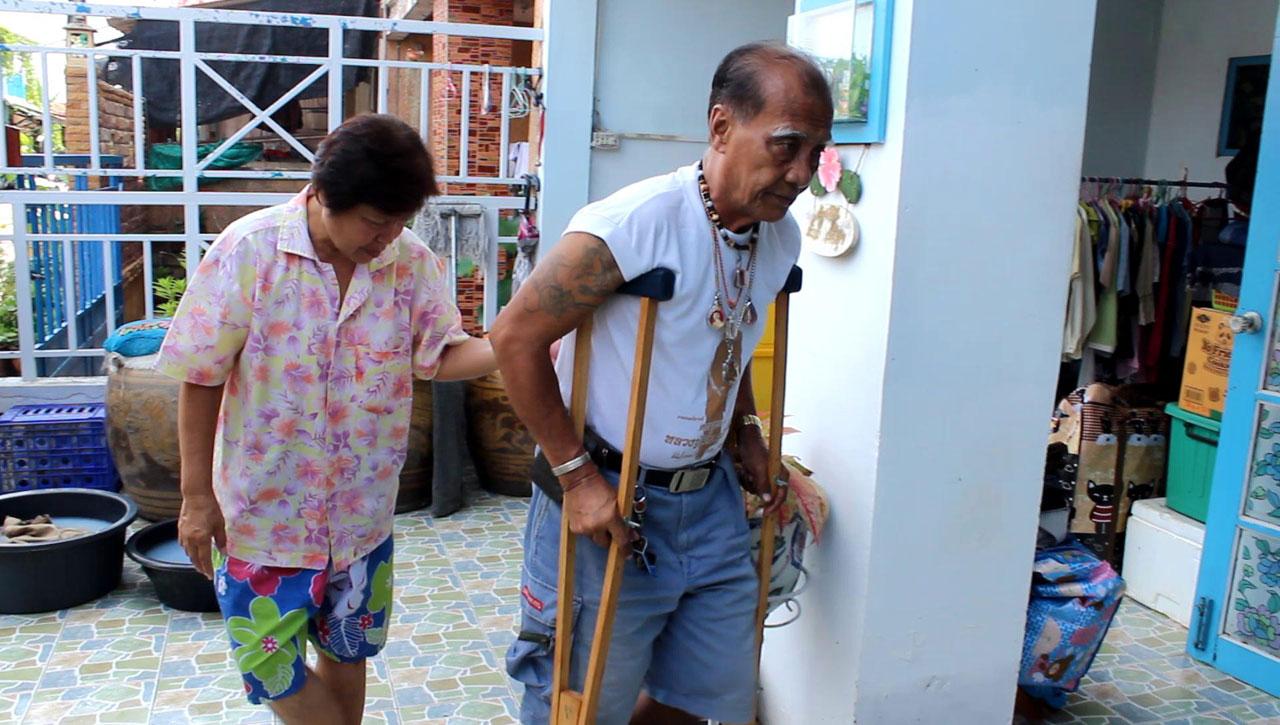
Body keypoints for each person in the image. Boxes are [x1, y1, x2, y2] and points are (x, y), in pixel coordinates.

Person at [491, 42, 834, 724]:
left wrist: (745, 431)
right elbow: (514, 337)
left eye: (815, 152)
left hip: (709, 502)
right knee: (580, 703)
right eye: (786, 146)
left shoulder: (778, 236)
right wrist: (576, 477)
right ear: (721, 127)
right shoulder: (631, 225)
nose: (800, 173)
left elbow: (728, 334)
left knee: (704, 695)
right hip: (611, 497)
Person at [157, 114, 496, 725]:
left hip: (362, 514)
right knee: (269, 666)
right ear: (322, 194)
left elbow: (440, 356)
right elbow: (201, 374)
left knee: (348, 649)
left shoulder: (410, 263)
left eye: (401, 221)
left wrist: (515, 343)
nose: (388, 236)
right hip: (265, 516)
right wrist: (195, 496)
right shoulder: (250, 249)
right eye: (374, 221)